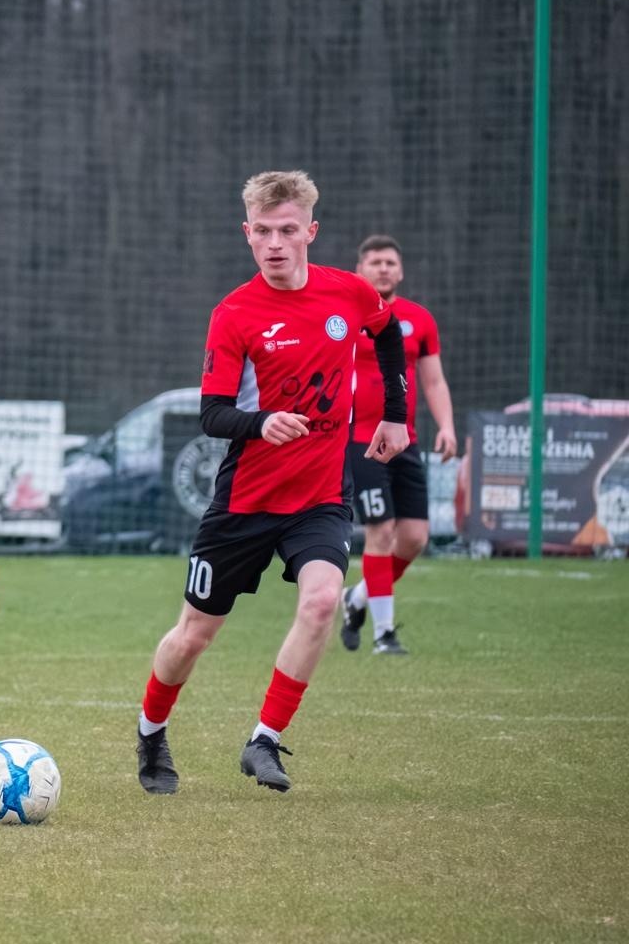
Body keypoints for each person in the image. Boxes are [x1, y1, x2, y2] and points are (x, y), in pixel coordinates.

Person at [130, 170, 409, 796]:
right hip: (243, 502)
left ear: (310, 231)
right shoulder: (234, 314)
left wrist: (394, 413)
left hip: (318, 498)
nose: (275, 243)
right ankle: (151, 730)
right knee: (191, 637)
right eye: (263, 232)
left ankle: (264, 740)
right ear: (247, 234)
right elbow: (212, 413)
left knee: (319, 601)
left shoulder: (349, 294)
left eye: (288, 230)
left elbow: (387, 335)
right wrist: (262, 423)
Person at [339, 235, 456, 655]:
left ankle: (357, 598)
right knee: (381, 531)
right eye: (375, 262)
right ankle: (384, 635)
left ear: (401, 271)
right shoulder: (344, 316)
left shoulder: (419, 320)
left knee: (414, 539)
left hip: (404, 440)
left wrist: (447, 426)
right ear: (360, 269)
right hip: (359, 441)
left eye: (390, 262)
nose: (383, 268)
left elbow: (433, 380)